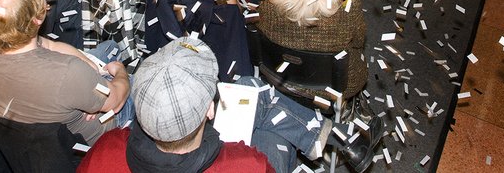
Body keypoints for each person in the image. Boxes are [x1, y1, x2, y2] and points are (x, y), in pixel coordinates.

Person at [78, 38, 382, 173]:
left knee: (252, 90)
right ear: (211, 110)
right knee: (269, 123)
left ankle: (332, 137)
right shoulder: (246, 164)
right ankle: (337, 138)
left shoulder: (104, 151)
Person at [0, 0, 132, 145]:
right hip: (92, 139)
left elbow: (48, 45)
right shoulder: (69, 73)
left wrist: (89, 74)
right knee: (137, 80)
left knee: (109, 47)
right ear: (38, 19)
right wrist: (120, 72)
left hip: (25, 132)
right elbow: (115, 100)